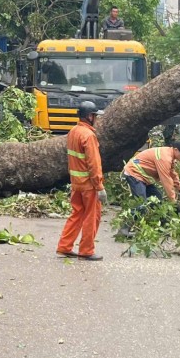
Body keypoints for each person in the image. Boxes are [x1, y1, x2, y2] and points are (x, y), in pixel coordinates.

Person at [56, 102, 104, 261]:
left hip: (76, 183)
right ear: (90, 116)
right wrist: (99, 186)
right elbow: (94, 163)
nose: (96, 119)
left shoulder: (73, 132)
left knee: (76, 214)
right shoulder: (88, 135)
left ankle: (64, 246)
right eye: (95, 116)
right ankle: (86, 250)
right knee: (92, 216)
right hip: (88, 185)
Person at [116, 141, 180, 238]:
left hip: (144, 177)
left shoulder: (170, 155)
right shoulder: (164, 158)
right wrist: (173, 201)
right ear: (176, 150)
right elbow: (166, 180)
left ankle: (161, 226)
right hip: (135, 174)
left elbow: (172, 173)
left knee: (157, 199)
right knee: (141, 203)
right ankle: (124, 229)